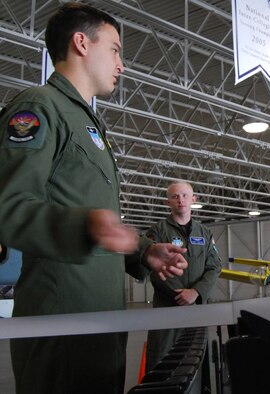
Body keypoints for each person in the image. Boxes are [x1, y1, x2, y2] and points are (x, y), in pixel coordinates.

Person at [0, 3, 188, 393]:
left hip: (101, 319)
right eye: (116, 49)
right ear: (81, 43)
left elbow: (100, 222)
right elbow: (9, 206)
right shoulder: (39, 108)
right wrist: (84, 225)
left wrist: (143, 252)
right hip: (63, 322)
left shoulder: (88, 125)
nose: (122, 64)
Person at [146, 182, 222, 373]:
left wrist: (196, 292)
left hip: (197, 311)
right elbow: (153, 268)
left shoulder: (205, 233)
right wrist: (180, 295)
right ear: (168, 202)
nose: (181, 200)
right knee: (162, 362)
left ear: (193, 200)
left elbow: (214, 267)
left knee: (195, 361)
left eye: (185, 196)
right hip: (167, 311)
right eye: (175, 197)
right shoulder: (157, 231)